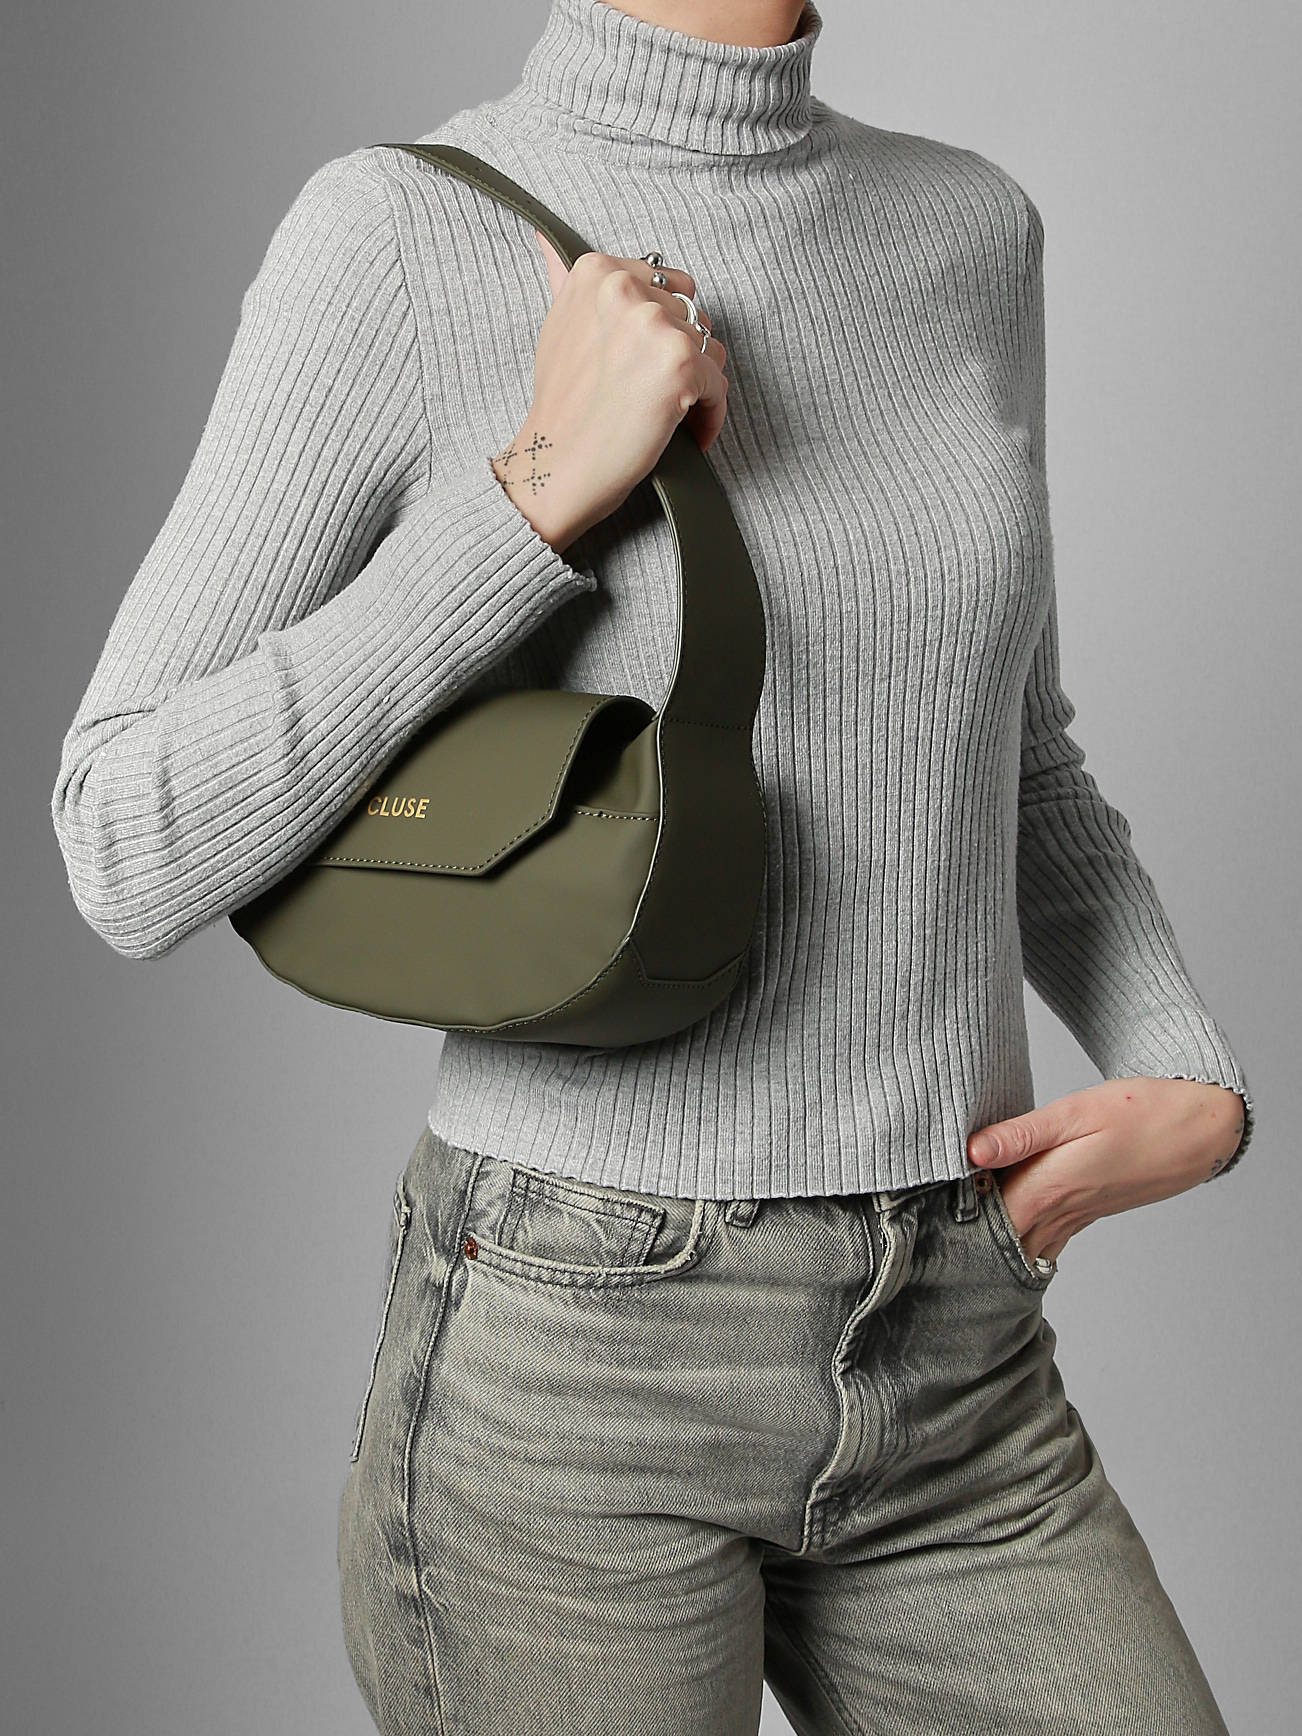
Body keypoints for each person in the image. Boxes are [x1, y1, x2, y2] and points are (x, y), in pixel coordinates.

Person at [50, 1, 1254, 1730]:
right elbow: (125, 834)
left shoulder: (968, 228)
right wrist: (535, 490)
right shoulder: (399, 232)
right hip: (581, 1348)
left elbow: (1014, 754)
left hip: (956, 1337)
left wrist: (1187, 1071)